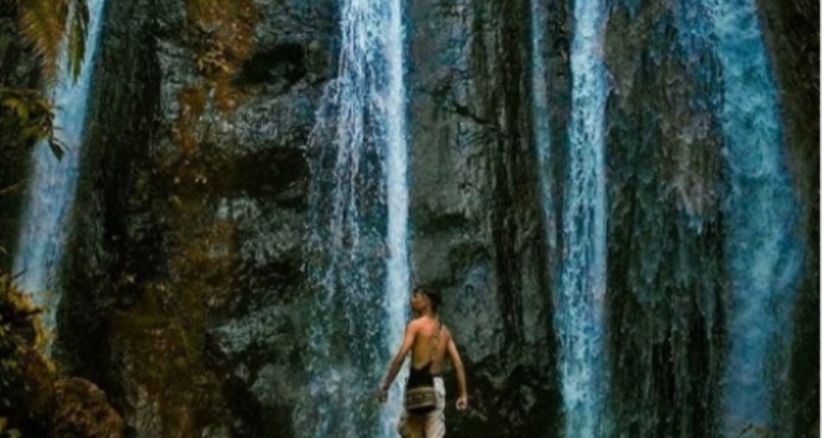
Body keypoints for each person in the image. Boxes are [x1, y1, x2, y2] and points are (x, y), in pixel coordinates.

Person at [376, 286, 469, 437]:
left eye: (415, 296)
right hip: (436, 388)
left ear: (426, 300)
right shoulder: (444, 332)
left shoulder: (415, 325)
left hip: (417, 386)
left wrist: (385, 385)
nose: (411, 299)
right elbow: (458, 364)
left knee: (410, 431)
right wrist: (463, 394)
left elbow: (401, 357)